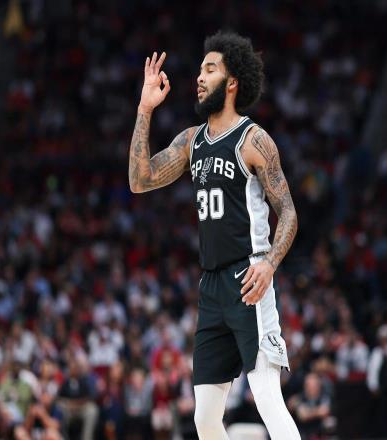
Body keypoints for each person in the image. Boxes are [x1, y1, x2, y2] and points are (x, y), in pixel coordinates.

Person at [128, 31, 301, 439]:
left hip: (248, 278)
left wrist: (269, 265)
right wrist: (144, 108)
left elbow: (289, 212)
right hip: (211, 287)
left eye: (210, 70)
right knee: (204, 420)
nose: (200, 77)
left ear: (232, 81)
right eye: (200, 70)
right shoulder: (192, 141)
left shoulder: (253, 140)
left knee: (267, 397)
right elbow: (140, 179)